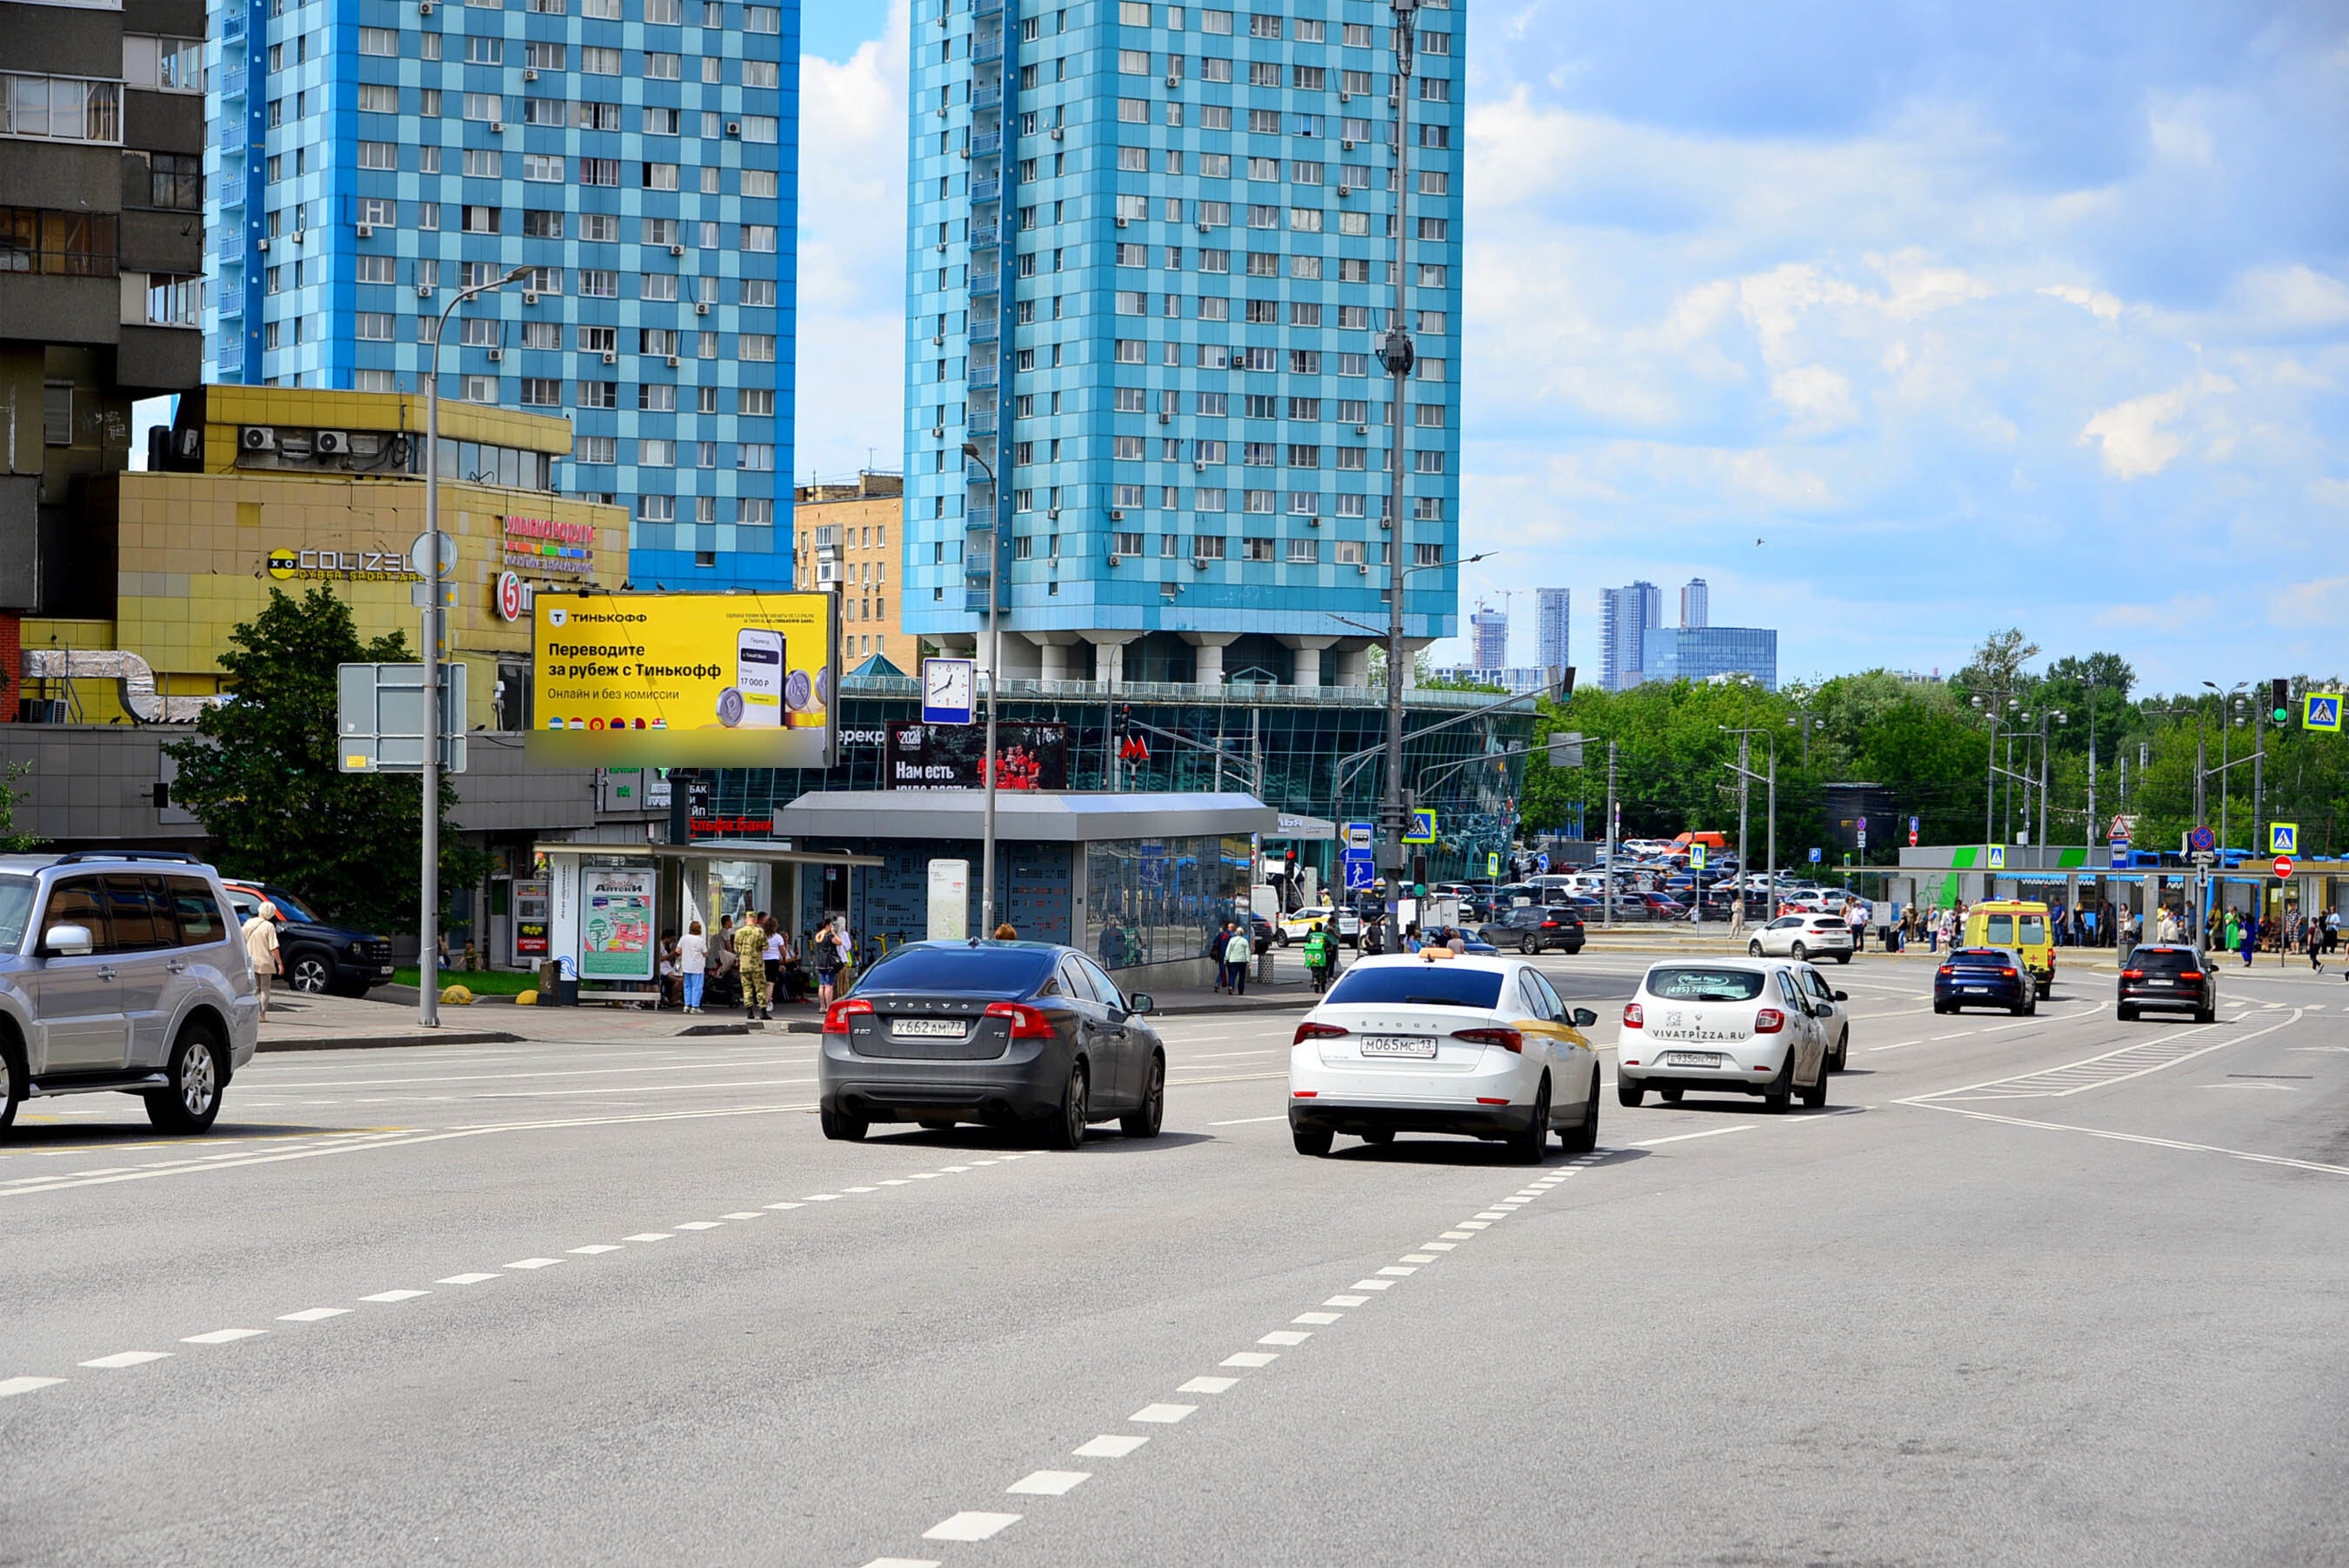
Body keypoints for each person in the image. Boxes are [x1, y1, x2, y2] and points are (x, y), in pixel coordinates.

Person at [243, 901, 282, 1020]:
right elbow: (274, 947)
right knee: (265, 989)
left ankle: (249, 1014)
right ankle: (262, 1015)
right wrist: (280, 964)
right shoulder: (269, 926)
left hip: (250, 961)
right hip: (265, 962)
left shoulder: (249, 923)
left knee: (253, 989)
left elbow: (241, 940)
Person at [733, 911, 770, 1019]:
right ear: (756, 920)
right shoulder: (759, 931)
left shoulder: (739, 932)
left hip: (744, 965)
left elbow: (736, 949)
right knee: (760, 988)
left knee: (747, 988)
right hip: (757, 965)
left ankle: (749, 1012)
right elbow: (766, 947)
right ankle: (763, 1012)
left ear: (746, 920)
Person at [813, 917, 845, 1008]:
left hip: (820, 962)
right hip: (829, 963)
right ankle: (829, 1006)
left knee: (822, 985)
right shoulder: (829, 936)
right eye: (831, 925)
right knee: (829, 986)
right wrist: (834, 932)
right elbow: (839, 942)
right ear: (827, 926)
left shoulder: (818, 935)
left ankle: (822, 1006)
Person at [678, 921, 708, 1013]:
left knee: (687, 986)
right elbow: (705, 953)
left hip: (686, 966)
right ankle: (695, 1007)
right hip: (697, 967)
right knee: (697, 987)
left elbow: (678, 950)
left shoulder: (684, 938)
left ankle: (687, 1005)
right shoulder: (700, 940)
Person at [1302, 920, 1336, 993]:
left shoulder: (1311, 935)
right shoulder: (1324, 936)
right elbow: (1329, 945)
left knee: (1313, 967)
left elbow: (1307, 943)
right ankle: (1322, 980)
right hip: (1322, 956)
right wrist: (1330, 949)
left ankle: (1315, 979)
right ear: (1321, 928)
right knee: (1325, 968)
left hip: (1312, 956)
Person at [1223, 921, 1252, 997]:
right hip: (1242, 961)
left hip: (1232, 960)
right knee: (1242, 977)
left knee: (1232, 975)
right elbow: (1247, 952)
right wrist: (1249, 962)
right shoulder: (1245, 941)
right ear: (1242, 933)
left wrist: (1226, 959)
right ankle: (1241, 991)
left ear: (1236, 933)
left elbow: (1228, 950)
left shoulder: (1232, 940)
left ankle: (1231, 986)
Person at [763, 916, 786, 1006]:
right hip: (773, 961)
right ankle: (767, 1001)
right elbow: (783, 951)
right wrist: (784, 958)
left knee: (763, 982)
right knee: (770, 983)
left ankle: (761, 1000)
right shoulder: (778, 937)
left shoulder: (762, 936)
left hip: (762, 960)